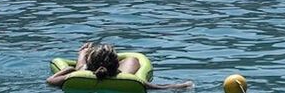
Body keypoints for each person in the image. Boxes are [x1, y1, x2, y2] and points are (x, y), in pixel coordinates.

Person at [47, 43, 193, 90]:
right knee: (132, 60)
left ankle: (83, 52)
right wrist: (184, 85)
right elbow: (161, 88)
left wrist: (69, 70)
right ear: (117, 65)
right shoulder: (129, 80)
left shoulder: (77, 75)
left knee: (80, 68)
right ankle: (84, 54)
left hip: (84, 74)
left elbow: (50, 81)